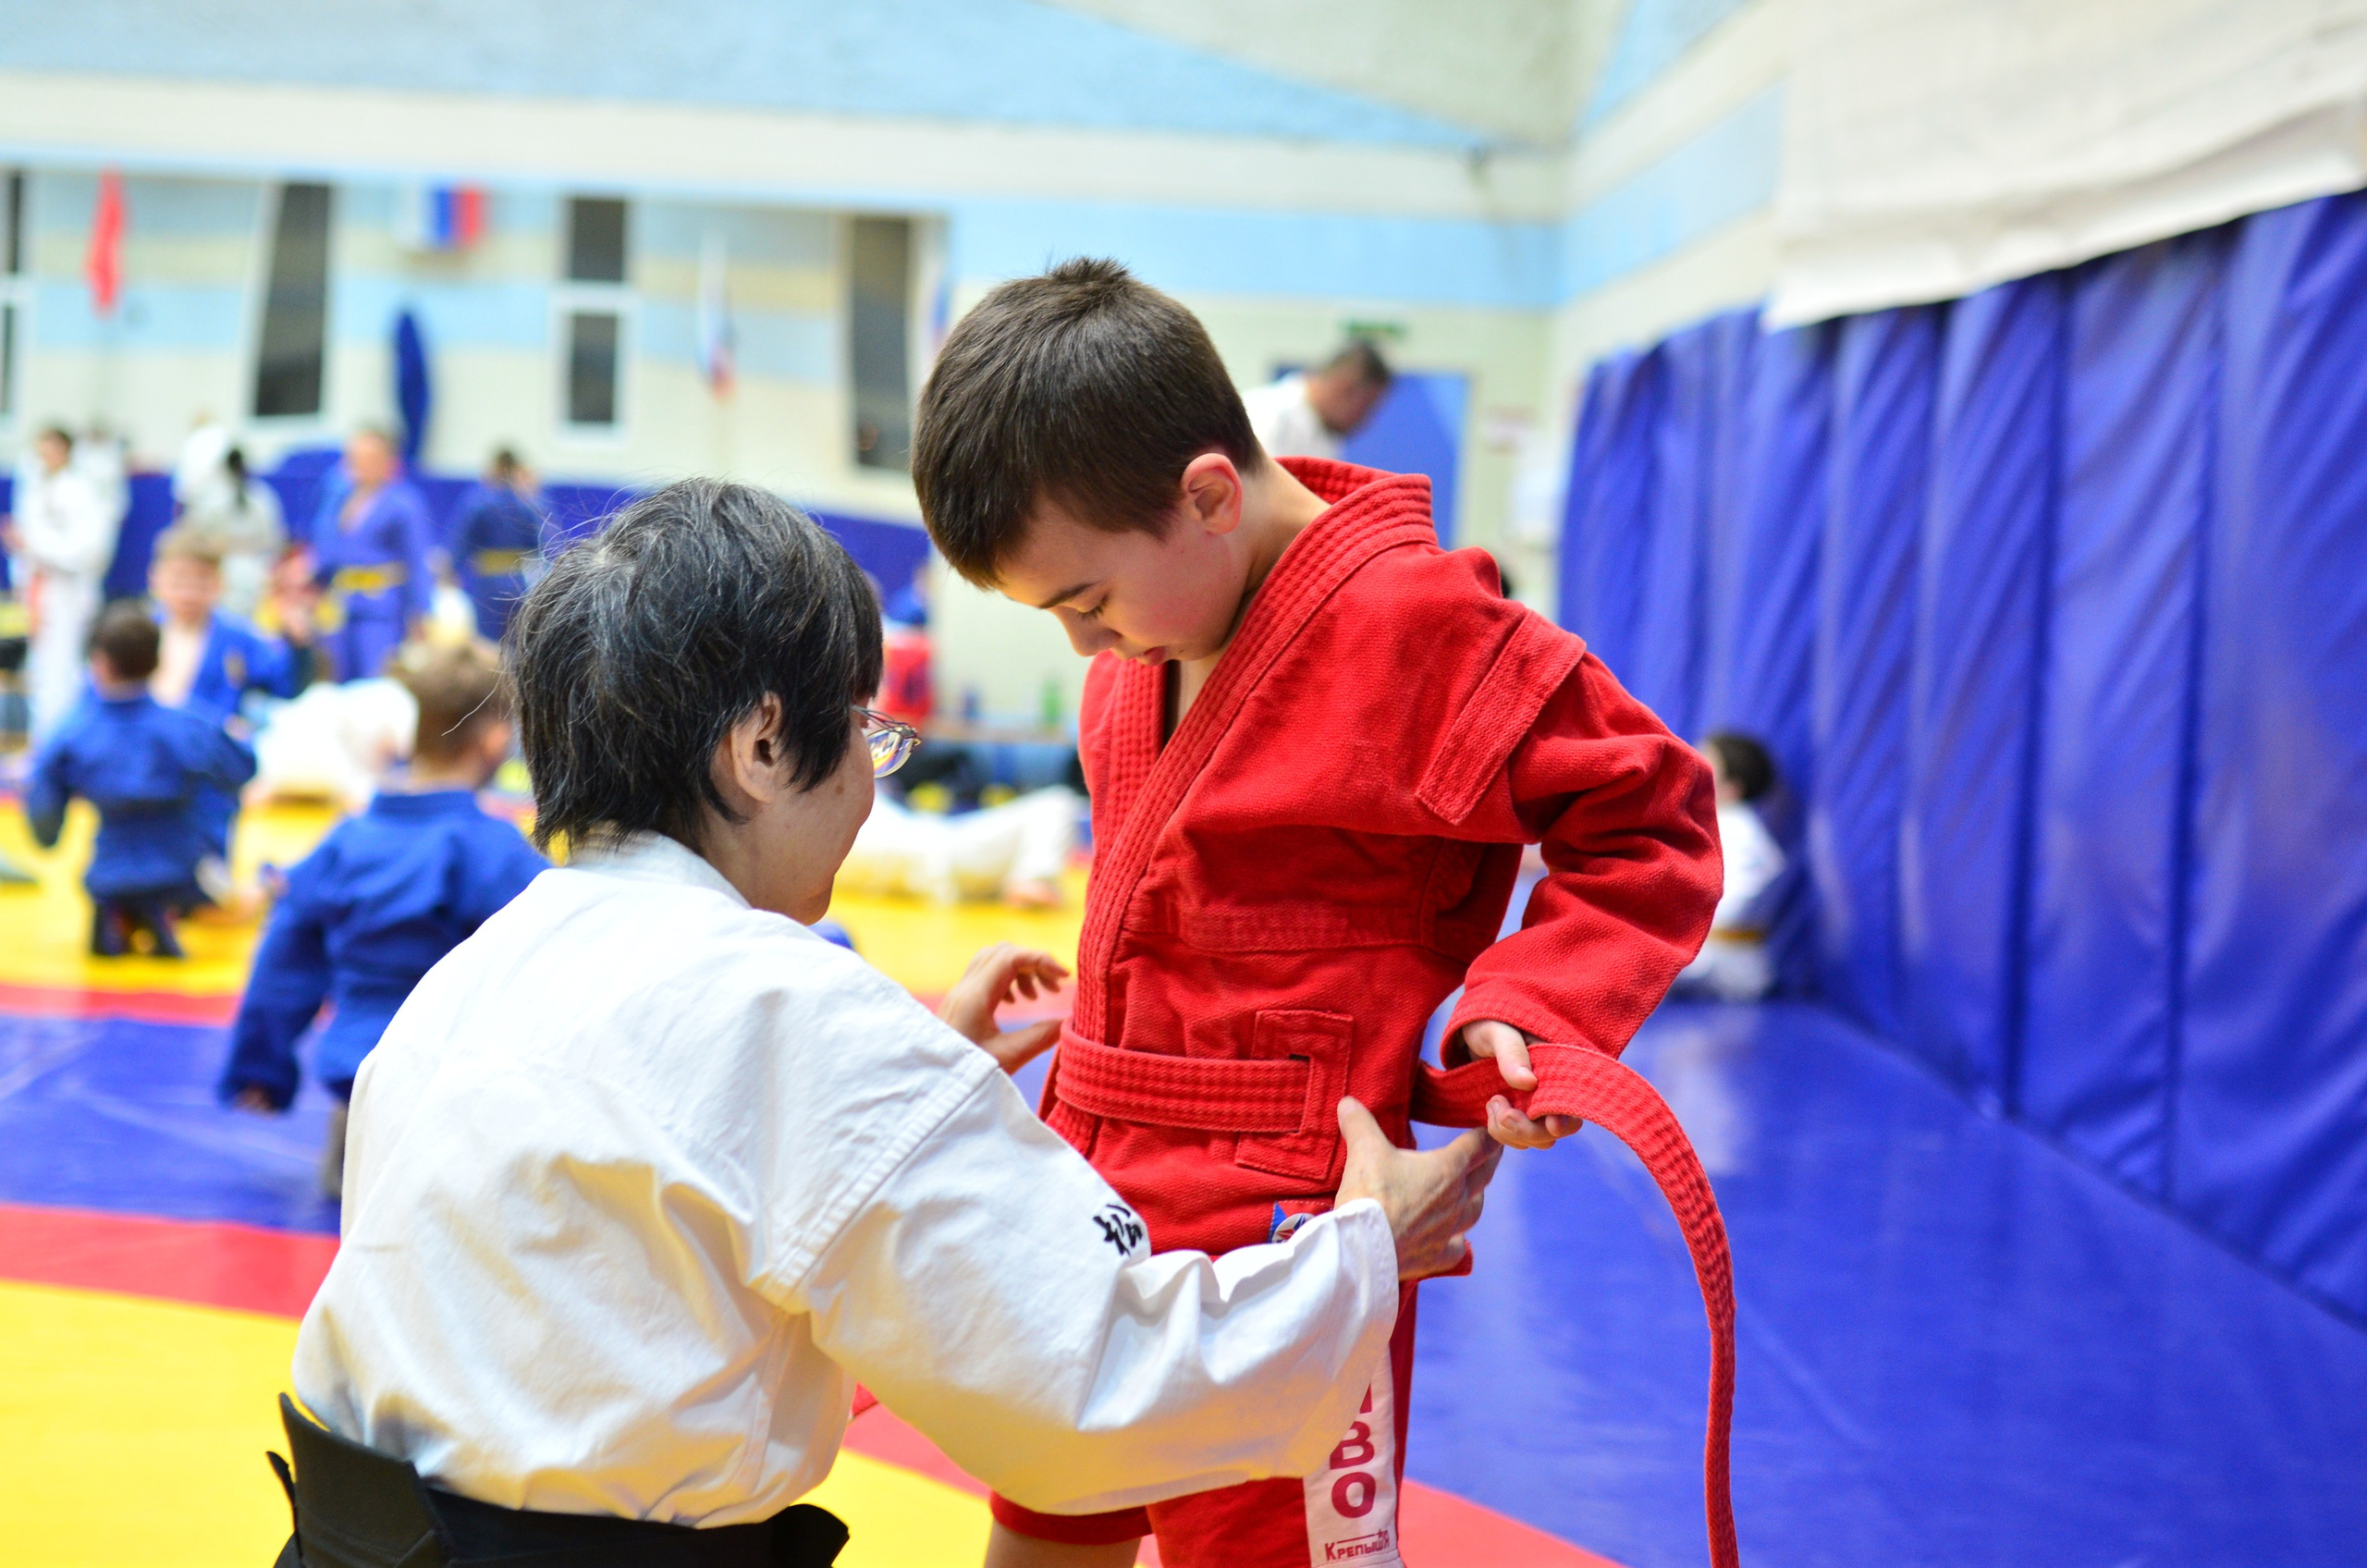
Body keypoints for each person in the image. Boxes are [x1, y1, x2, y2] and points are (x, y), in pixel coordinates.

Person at [263, 480, 1502, 1568]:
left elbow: (638, 1271)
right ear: (759, 742)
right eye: (860, 733)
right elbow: (1089, 1391)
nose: (867, 779)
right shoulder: (796, 1012)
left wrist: (921, 1088)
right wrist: (1364, 1255)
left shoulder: (484, 969)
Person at [913, 259, 1735, 1568]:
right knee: (1042, 1534)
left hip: (1293, 1227)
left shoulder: (1420, 626)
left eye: (1085, 601)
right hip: (1095, 1185)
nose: (1083, 649)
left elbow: (1652, 815)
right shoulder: (1151, 637)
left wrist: (1531, 1009)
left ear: (1207, 497)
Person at [221, 640, 545, 1198]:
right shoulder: (494, 852)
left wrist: (262, 1066)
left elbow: (284, 960)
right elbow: (553, 975)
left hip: (357, 1084)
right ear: (496, 740)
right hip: (454, 1103)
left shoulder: (345, 841)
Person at [25, 604, 256, 958]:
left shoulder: (74, 733)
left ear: (99, 663)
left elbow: (43, 806)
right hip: (180, 873)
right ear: (158, 661)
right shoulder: (188, 726)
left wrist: (49, 832)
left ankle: (116, 921)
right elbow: (241, 770)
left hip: (108, 873)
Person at [147, 527, 305, 889]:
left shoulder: (238, 638)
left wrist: (298, 646)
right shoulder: (141, 632)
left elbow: (285, 685)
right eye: (178, 580)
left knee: (207, 878)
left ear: (219, 584)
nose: (188, 592)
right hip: (153, 765)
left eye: (201, 581)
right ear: (155, 578)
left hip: (211, 774)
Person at [5, 426, 118, 741]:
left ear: (66, 450)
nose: (45, 456)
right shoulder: (37, 487)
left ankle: (59, 740)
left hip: (67, 591)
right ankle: (43, 740)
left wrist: (34, 545)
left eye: (51, 448)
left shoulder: (81, 491)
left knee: (61, 670)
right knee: (40, 670)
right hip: (38, 589)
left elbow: (87, 551)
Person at [1671, 731, 1786, 1003]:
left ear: (1731, 789)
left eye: (1704, 767)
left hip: (1722, 961)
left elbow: (1726, 908)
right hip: (1714, 955)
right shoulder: (1719, 826)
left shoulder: (1739, 834)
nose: (1691, 771)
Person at [311, 428, 433, 681]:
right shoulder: (338, 499)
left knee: (374, 680)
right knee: (336, 680)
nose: (358, 465)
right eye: (353, 458)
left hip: (381, 610)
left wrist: (420, 614)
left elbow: (417, 561)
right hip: (341, 606)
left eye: (367, 458)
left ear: (387, 462)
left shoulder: (403, 503)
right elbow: (326, 552)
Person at [837, 783, 1080, 908]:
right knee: (1058, 802)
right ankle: (1033, 878)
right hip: (939, 856)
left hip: (930, 864)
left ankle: (1023, 879)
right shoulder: (844, 795)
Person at [448, 446, 548, 642]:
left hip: (488, 581)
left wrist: (451, 569)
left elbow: (461, 542)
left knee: (487, 642)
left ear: (494, 468)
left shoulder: (478, 502)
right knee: (517, 639)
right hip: (520, 581)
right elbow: (540, 547)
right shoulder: (527, 503)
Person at [1239, 341, 1392, 462]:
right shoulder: (1266, 415)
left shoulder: (1325, 434)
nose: (1364, 421)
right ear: (1345, 387)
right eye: (1366, 407)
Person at [180, 445, 288, 619]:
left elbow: (193, 537)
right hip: (243, 571)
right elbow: (274, 540)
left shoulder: (256, 497)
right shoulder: (262, 495)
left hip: (242, 572)